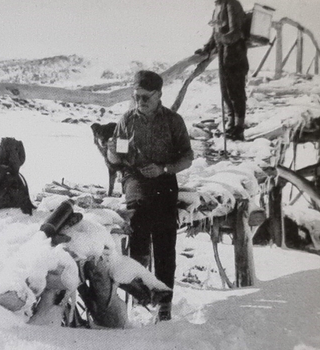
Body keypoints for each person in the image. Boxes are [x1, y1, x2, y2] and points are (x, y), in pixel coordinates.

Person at [107, 70, 194, 321]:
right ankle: (140, 293)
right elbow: (118, 159)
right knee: (140, 218)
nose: (140, 102)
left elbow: (186, 158)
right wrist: (112, 152)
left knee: (165, 236)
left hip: (165, 178)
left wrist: (164, 168)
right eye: (136, 97)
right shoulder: (127, 121)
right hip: (135, 178)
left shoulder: (173, 121)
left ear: (159, 95)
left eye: (146, 97)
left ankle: (164, 300)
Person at [195, 0, 249, 141]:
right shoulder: (218, 6)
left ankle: (239, 127)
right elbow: (215, 33)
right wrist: (206, 49)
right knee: (225, 91)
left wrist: (221, 38)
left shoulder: (232, 4)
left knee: (235, 91)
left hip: (235, 55)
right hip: (224, 55)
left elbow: (235, 33)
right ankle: (231, 125)